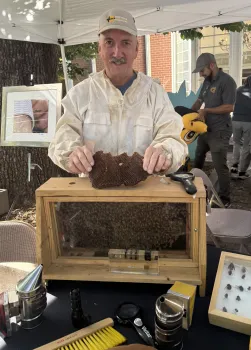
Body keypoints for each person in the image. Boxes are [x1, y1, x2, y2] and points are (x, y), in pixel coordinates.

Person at [48, 8, 187, 177]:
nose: (117, 52)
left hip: (146, 197)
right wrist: (71, 153)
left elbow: (175, 140)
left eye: (126, 43)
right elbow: (61, 138)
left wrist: (165, 152)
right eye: (109, 43)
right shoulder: (80, 94)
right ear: (99, 48)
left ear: (136, 49)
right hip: (94, 198)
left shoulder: (155, 94)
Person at [191, 53, 237, 207]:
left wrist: (207, 111)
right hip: (206, 128)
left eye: (202, 70)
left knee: (219, 164)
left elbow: (229, 107)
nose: (200, 74)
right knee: (198, 156)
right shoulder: (206, 82)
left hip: (220, 130)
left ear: (212, 65)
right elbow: (199, 100)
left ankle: (225, 198)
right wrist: (190, 112)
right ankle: (193, 184)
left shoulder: (227, 81)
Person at [230, 76, 251, 179]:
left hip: (236, 120)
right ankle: (242, 172)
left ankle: (234, 165)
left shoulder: (238, 89)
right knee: (246, 146)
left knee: (236, 143)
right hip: (249, 122)